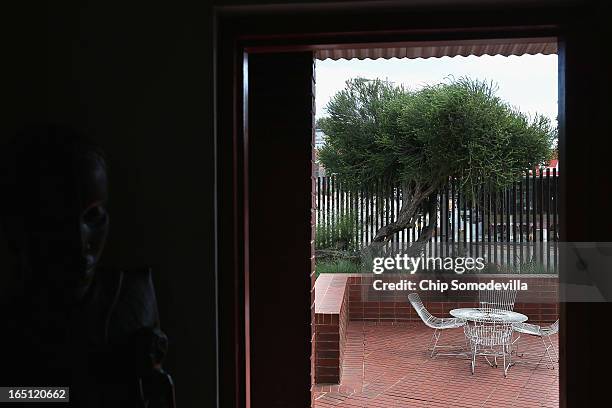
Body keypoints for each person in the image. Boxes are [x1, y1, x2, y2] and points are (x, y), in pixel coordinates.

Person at [0, 125, 175, 407]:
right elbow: (10, 395)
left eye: (94, 216)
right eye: (57, 222)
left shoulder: (131, 297)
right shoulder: (15, 325)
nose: (80, 243)